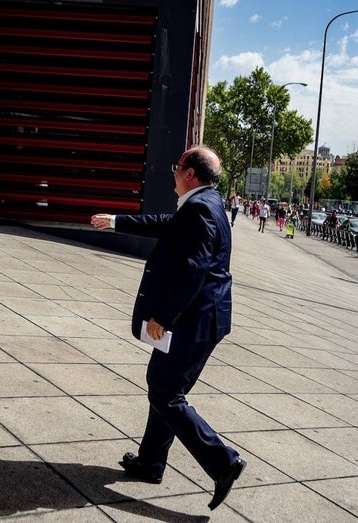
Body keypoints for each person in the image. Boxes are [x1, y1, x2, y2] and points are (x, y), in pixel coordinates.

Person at [90, 145, 246, 512]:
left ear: (190, 173)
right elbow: (167, 225)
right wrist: (115, 221)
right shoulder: (206, 202)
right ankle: (151, 462)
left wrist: (163, 317)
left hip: (193, 321)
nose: (173, 174)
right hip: (205, 319)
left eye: (178, 168)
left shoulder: (201, 210)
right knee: (165, 388)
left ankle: (223, 462)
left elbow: (193, 270)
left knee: (165, 393)